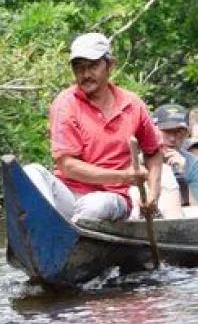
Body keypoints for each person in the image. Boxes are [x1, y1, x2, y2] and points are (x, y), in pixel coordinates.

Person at [30, 32, 163, 221]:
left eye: (92, 66)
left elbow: (154, 152)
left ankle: (72, 234)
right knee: (32, 172)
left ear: (110, 65)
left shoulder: (133, 105)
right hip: (69, 194)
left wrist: (153, 195)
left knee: (96, 205)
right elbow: (67, 166)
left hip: (111, 199)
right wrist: (125, 176)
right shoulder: (65, 103)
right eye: (78, 68)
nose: (85, 75)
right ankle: (49, 229)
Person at [152, 103, 198, 210]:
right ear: (154, 131)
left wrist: (185, 176)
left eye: (179, 132)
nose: (172, 138)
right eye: (166, 131)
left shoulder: (196, 165)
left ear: (187, 135)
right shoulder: (140, 162)